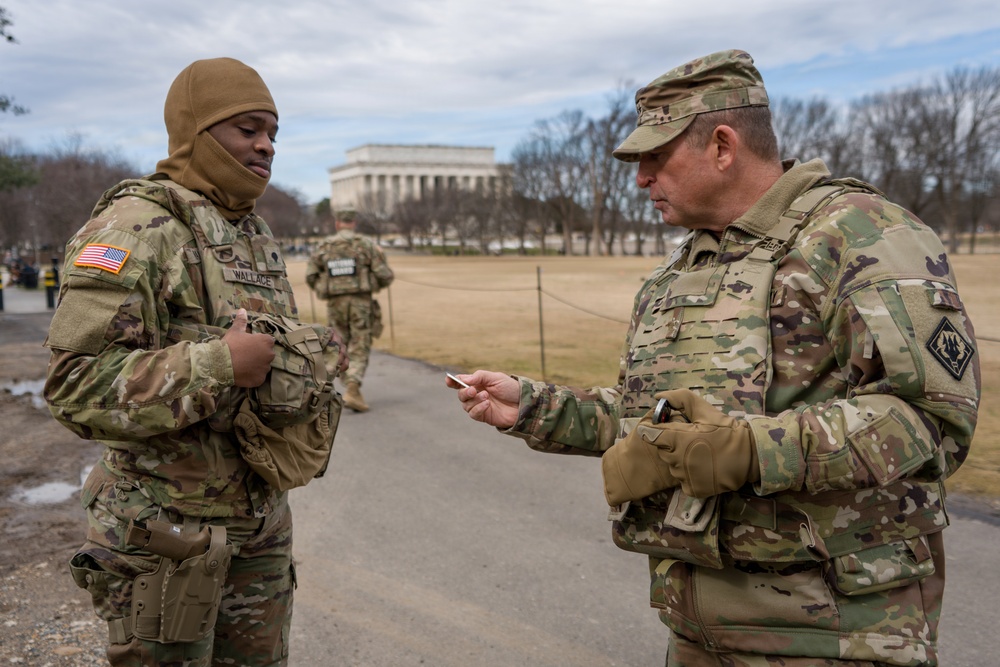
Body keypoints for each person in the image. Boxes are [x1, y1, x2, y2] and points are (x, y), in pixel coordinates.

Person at [450, 49, 979, 666]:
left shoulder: (858, 234)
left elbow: (929, 421)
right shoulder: (683, 267)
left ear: (723, 145)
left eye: (655, 156)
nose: (642, 178)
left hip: (837, 632)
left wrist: (748, 450)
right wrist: (538, 408)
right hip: (698, 623)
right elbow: (663, 425)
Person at [44, 57, 345, 666]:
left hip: (258, 526)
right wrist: (219, 365)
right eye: (248, 128)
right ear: (195, 130)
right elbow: (74, 387)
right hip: (165, 533)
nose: (266, 146)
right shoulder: (138, 225)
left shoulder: (253, 232)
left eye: (273, 134)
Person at [306, 208, 394, 412]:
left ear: (337, 223)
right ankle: (353, 387)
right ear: (354, 223)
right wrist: (374, 284)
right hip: (361, 302)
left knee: (339, 344)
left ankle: (348, 387)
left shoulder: (324, 247)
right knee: (360, 344)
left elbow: (311, 275)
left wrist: (324, 288)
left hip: (335, 304)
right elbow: (385, 275)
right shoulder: (366, 245)